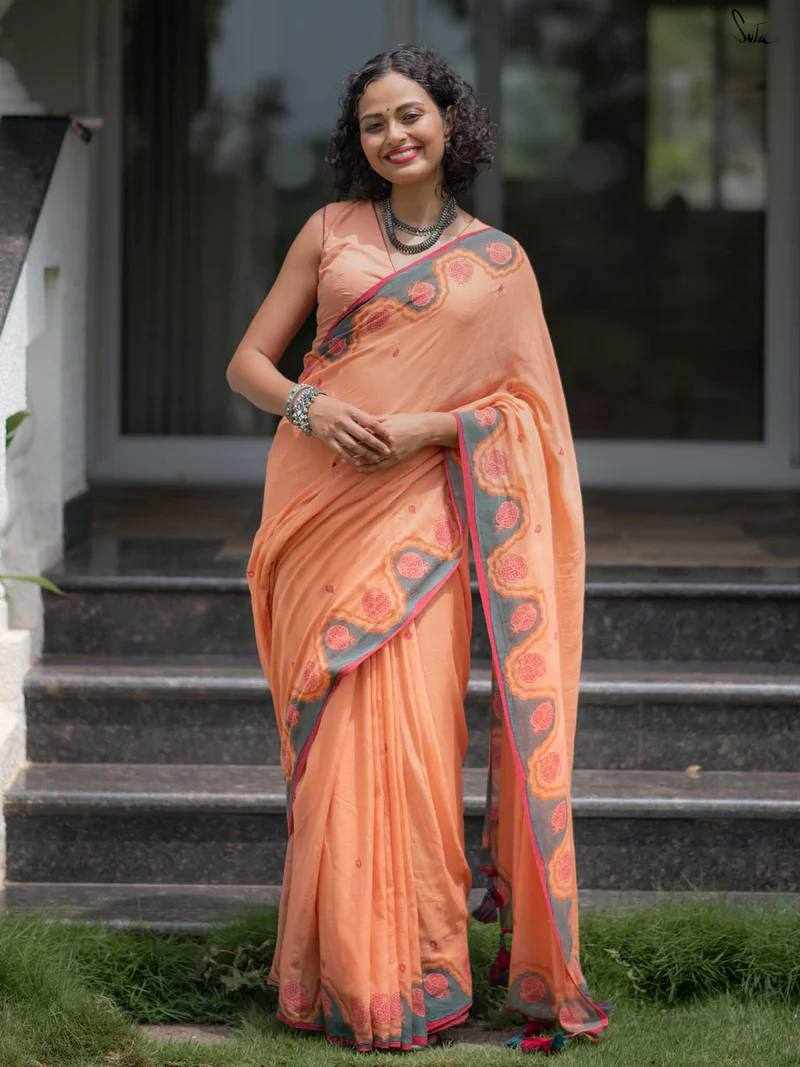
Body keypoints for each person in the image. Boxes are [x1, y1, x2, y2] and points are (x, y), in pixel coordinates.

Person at [226, 43, 612, 1056]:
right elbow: (249, 363)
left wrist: (429, 429)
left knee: (414, 744)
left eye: (410, 115)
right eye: (373, 123)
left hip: (423, 524)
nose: (394, 135)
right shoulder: (328, 233)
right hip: (318, 510)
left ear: (448, 122)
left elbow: (528, 416)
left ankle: (419, 970)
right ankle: (341, 972)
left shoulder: (497, 265)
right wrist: (309, 407)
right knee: (336, 744)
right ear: (356, 141)